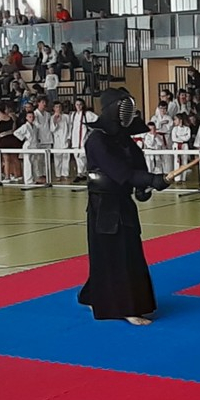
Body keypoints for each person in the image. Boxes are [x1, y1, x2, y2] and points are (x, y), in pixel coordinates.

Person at [78, 88, 170, 325]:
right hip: (104, 205)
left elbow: (136, 170)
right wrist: (153, 180)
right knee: (113, 254)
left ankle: (94, 295)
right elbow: (120, 172)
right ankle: (123, 307)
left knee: (128, 252)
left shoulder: (125, 141)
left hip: (122, 201)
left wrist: (144, 188)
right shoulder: (97, 140)